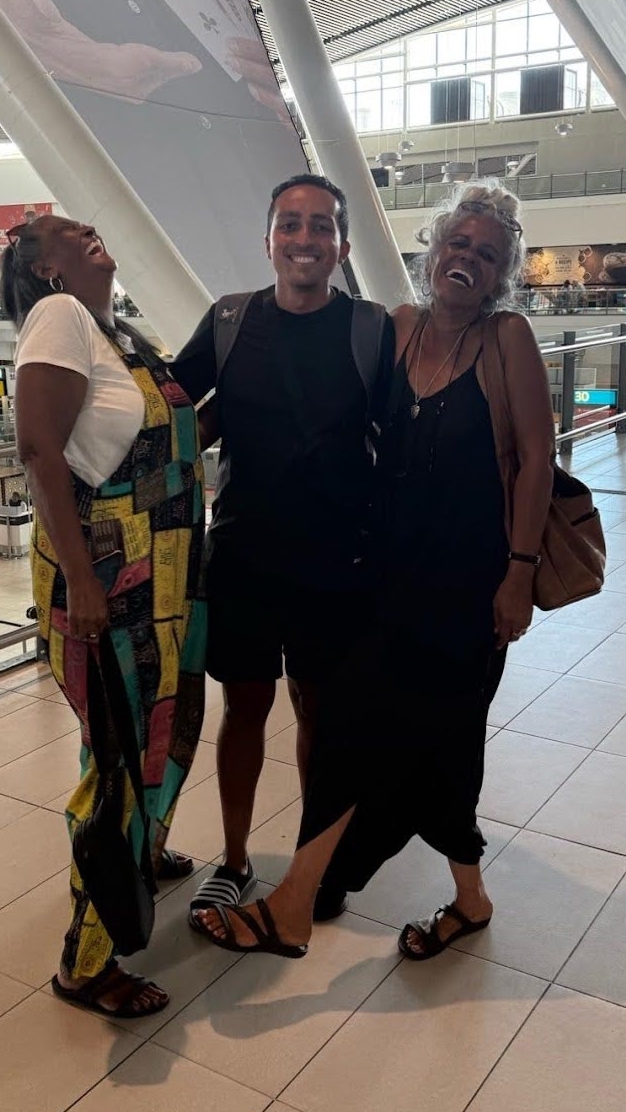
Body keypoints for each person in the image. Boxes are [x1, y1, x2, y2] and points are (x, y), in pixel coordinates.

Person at [193, 184, 555, 963]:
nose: (467, 259)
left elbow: (536, 462)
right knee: (358, 731)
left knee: (443, 742)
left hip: (468, 585)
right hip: (385, 574)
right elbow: (322, 397)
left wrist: (519, 574)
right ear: (434, 250)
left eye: (487, 254)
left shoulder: (507, 338)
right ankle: (377, 896)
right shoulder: (399, 329)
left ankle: (316, 901)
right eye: (458, 243)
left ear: (501, 274)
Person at [171, 175, 393, 931]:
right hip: (245, 556)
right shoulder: (231, 321)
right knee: (244, 709)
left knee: (319, 714)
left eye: (321, 226)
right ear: (268, 240)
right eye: (291, 225)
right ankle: (234, 861)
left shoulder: (369, 329)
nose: (305, 239)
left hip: (338, 562)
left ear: (343, 246)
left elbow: (401, 437)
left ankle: (311, 865)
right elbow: (171, 409)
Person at [5, 213, 206, 1019]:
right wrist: (84, 583)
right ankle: (86, 962)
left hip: (162, 572)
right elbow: (38, 450)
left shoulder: (114, 333)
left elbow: (155, 444)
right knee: (121, 753)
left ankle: (141, 852)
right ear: (45, 268)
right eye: (67, 231)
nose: (88, 229)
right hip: (109, 575)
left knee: (166, 723)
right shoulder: (58, 317)